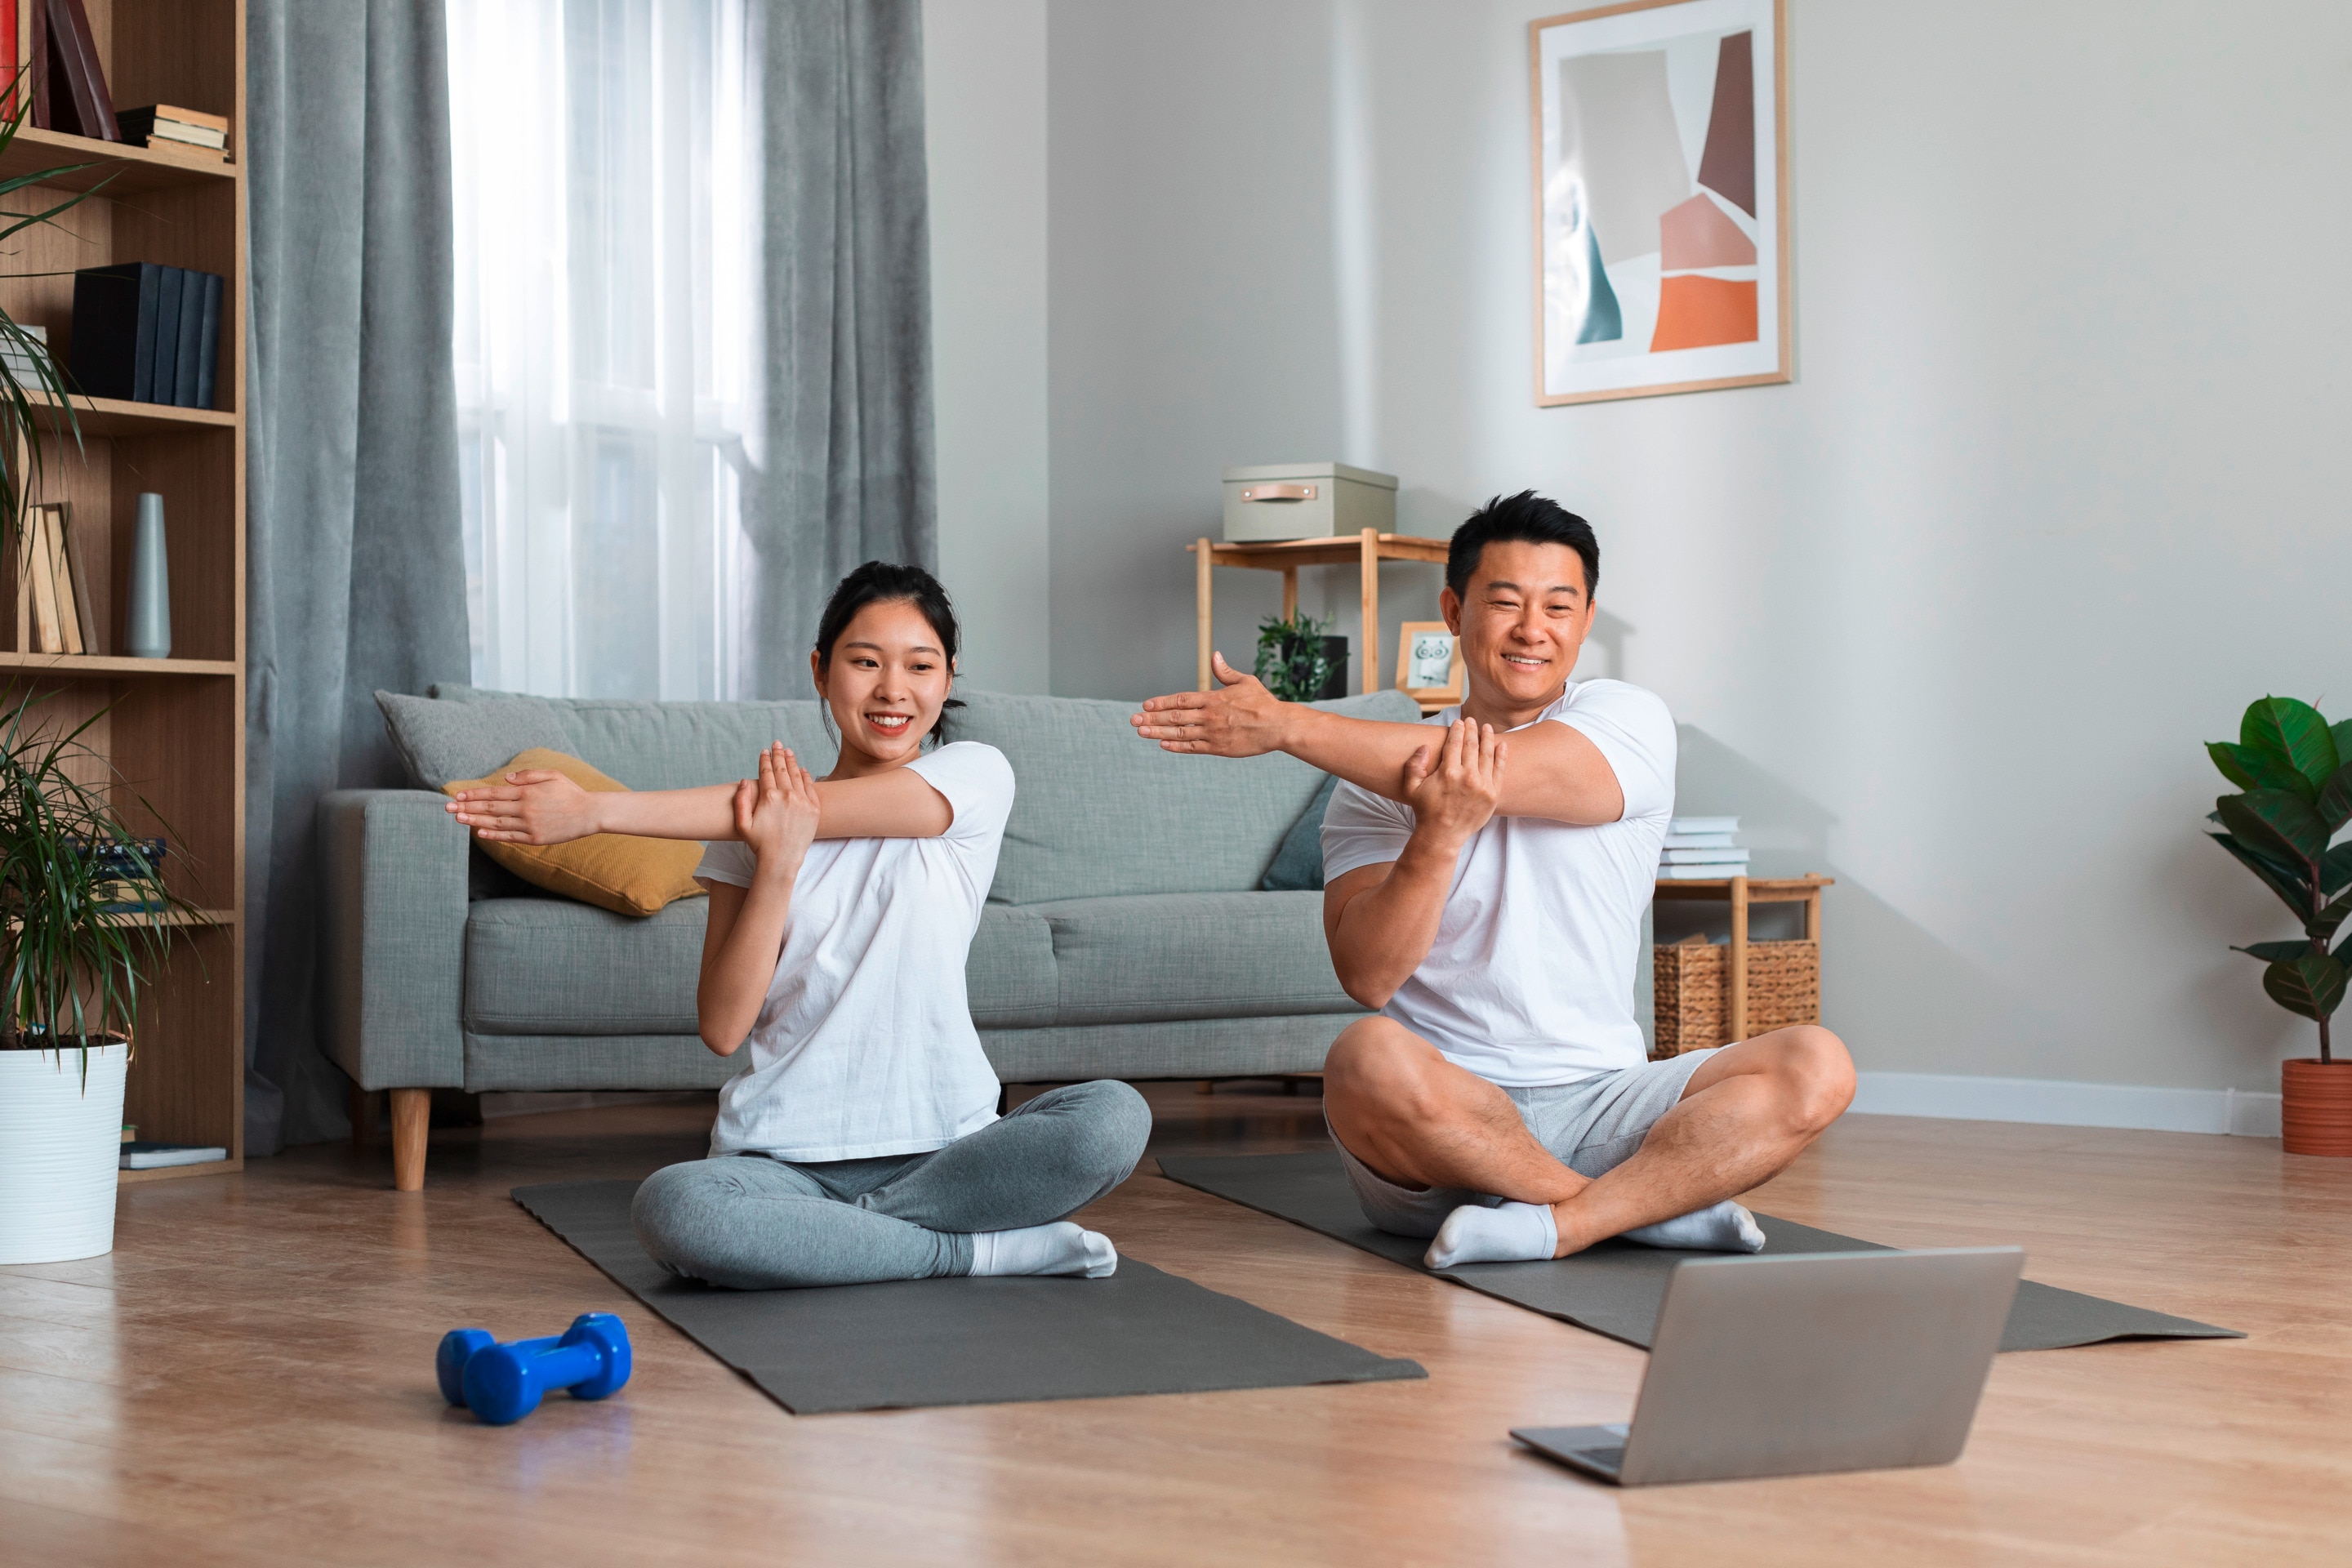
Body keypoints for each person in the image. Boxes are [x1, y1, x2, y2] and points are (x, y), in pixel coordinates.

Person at [1130, 492, 1853, 1268]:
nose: (1531, 630)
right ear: (1453, 609)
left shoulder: (1628, 719)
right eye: (1504, 602)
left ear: (1586, 619)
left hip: (1609, 1099)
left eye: (1557, 606)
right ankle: (1631, 1207)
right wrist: (1438, 834)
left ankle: (1565, 1222)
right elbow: (1369, 977)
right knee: (1362, 1059)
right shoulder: (1370, 783)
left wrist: (1286, 725)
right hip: (1445, 1124)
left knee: (1817, 1064)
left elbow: (1503, 774)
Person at [447, 562, 1150, 1289]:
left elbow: (804, 812)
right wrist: (777, 868)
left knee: (1113, 1117)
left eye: (920, 666)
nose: (892, 690)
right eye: (865, 662)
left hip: (949, 1153)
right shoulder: (747, 836)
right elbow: (723, 1027)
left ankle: (852, 1244)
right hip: (781, 1162)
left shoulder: (975, 775)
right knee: (678, 1208)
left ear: (947, 681)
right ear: (821, 670)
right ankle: (976, 1252)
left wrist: (594, 812)